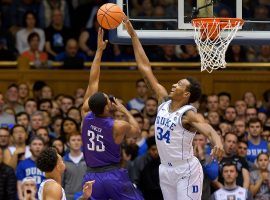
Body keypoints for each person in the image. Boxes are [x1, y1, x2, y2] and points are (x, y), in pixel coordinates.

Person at [124, 18, 224, 200]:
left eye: (179, 84)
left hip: (186, 170)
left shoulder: (188, 114)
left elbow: (208, 129)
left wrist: (217, 142)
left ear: (186, 94)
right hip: (165, 169)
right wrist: (133, 36)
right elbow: (145, 69)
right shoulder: (163, 100)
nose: (174, 85)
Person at [81, 28, 143, 200]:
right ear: (108, 108)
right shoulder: (118, 125)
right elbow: (137, 131)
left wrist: (99, 51)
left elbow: (93, 80)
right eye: (109, 101)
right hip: (113, 175)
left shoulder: (85, 116)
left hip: (91, 176)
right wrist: (123, 109)